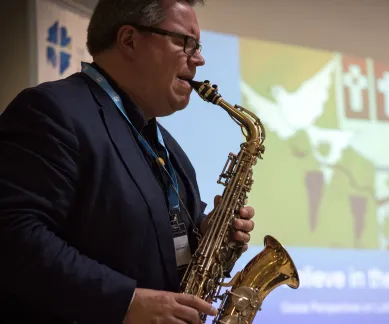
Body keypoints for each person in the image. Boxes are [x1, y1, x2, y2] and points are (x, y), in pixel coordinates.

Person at [0, 0, 256, 323]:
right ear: (129, 41)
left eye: (198, 45)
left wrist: (208, 235)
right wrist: (126, 303)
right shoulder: (52, 111)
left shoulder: (171, 151)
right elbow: (13, 235)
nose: (199, 59)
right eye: (184, 42)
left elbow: (151, 245)